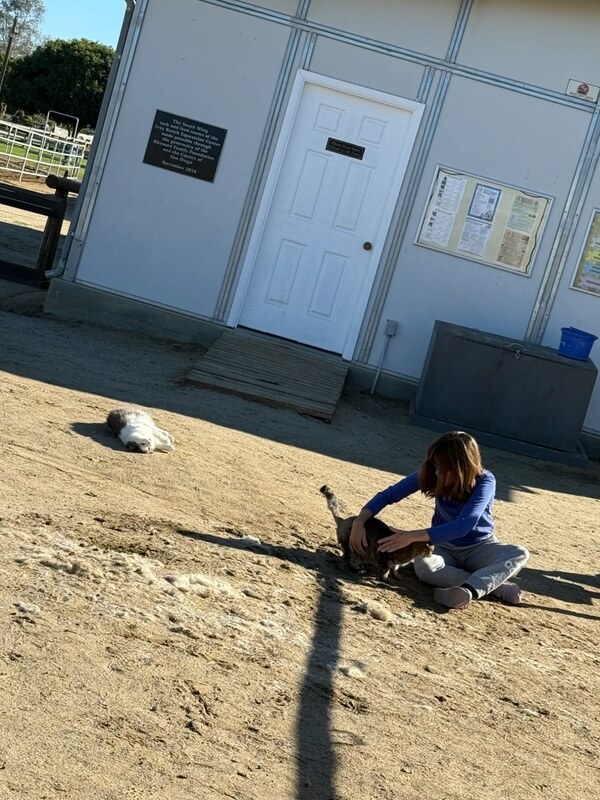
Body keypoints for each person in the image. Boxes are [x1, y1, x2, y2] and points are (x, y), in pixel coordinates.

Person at [349, 430, 529, 610]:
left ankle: (465, 591)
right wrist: (360, 520)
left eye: (443, 467)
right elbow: (389, 495)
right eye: (435, 464)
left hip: (480, 547)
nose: (436, 471)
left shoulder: (485, 481)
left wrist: (412, 536)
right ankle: (493, 585)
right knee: (424, 568)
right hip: (441, 547)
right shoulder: (430, 473)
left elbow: (463, 525)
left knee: (519, 553)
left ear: (462, 468)